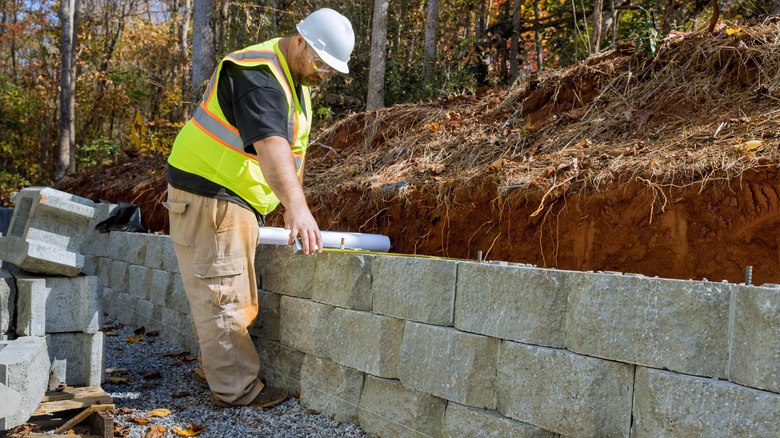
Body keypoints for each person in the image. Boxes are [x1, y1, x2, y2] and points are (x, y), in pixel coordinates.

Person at [163, 8, 355, 408]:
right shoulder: (259, 76)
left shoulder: (292, 79)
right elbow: (271, 146)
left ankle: (214, 369)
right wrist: (297, 208)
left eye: (331, 69)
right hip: (211, 194)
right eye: (320, 61)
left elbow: (291, 154)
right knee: (225, 296)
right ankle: (236, 391)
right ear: (300, 40)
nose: (323, 73)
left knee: (230, 292)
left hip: (227, 197)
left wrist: (287, 203)